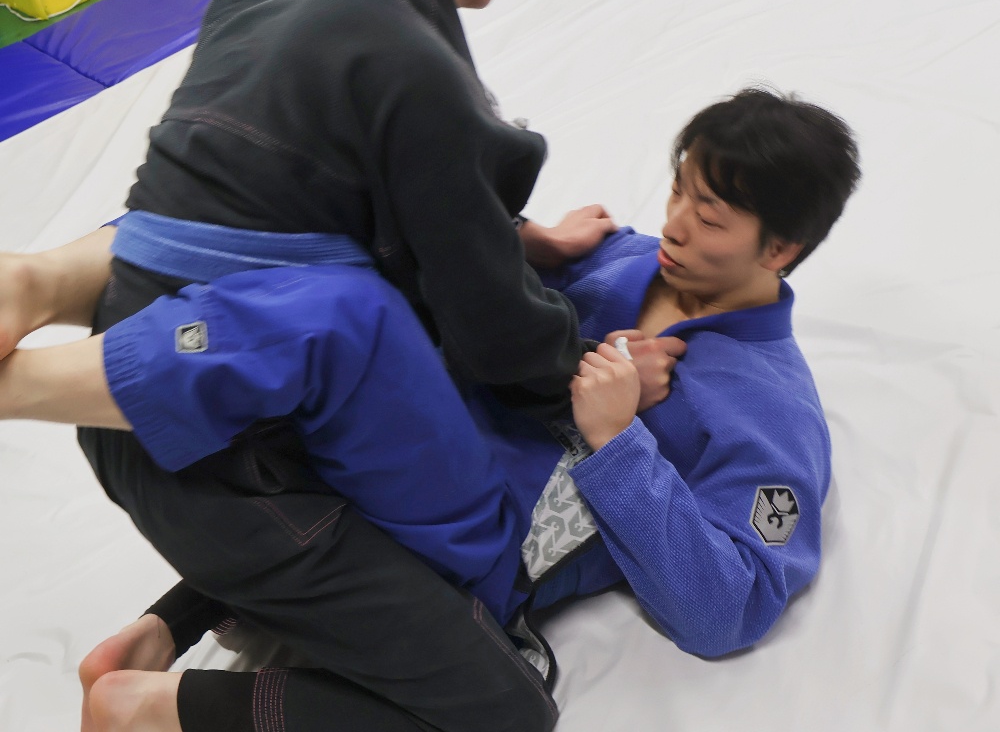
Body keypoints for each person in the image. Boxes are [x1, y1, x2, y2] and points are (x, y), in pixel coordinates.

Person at [9, 0, 681, 732]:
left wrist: (513, 233)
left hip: (142, 332)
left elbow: (301, 199)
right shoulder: (417, 67)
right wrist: (588, 381)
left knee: (293, 288)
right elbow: (490, 327)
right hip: (208, 442)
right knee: (504, 711)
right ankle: (147, 708)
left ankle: (155, 622)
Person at [1, 89, 861, 732]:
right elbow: (448, 268)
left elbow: (728, 608)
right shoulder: (611, 259)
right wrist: (521, 240)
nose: (673, 223)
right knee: (337, 231)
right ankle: (54, 289)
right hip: (361, 465)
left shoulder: (767, 409)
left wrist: (617, 442)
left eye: (708, 216)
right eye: (677, 190)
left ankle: (157, 659)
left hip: (457, 546)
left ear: (781, 247)